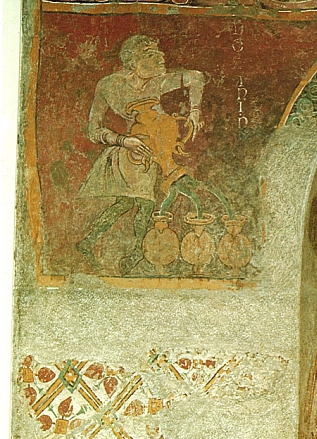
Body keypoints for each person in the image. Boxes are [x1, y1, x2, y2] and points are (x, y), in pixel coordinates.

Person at [76, 35, 232, 275]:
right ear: (132, 62)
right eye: (150, 54)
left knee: (129, 203)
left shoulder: (157, 82)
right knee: (143, 204)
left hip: (153, 154)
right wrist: (124, 141)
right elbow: (93, 130)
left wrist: (195, 110)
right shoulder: (109, 86)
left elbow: (196, 77)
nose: (161, 57)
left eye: (158, 52)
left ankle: (94, 243)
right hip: (131, 153)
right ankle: (135, 252)